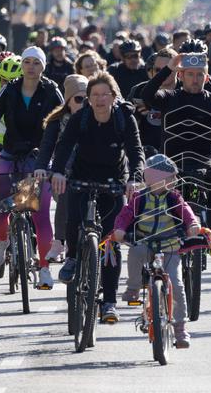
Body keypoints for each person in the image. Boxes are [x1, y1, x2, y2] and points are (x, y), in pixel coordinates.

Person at [48, 73, 143, 324]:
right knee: (74, 219)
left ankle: (109, 302)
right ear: (89, 99)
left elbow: (135, 151)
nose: (100, 100)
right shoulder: (80, 118)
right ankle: (72, 257)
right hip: (82, 178)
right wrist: (58, 172)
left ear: (113, 97)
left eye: (105, 95)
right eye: (95, 95)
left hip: (113, 182)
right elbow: (64, 147)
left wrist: (134, 178)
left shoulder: (124, 118)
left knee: (111, 244)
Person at [0, 47, 63, 288]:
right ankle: (2, 241)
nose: (31, 67)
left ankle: (44, 269)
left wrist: (63, 156)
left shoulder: (51, 91)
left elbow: (65, 122)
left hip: (38, 159)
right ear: (22, 66)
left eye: (36, 63)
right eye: (27, 62)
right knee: (1, 211)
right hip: (10, 154)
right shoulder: (9, 90)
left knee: (40, 214)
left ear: (43, 67)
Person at [136, 42, 211, 232]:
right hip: (170, 162)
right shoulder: (169, 98)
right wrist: (169, 67)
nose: (195, 79)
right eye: (190, 74)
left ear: (206, 78)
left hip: (203, 162)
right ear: (180, 76)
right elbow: (147, 95)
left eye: (199, 75)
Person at [113, 154, 198, 346]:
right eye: (170, 178)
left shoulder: (174, 197)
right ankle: (133, 287)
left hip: (170, 246)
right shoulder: (139, 198)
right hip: (146, 242)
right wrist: (120, 229)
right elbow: (126, 214)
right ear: (155, 179)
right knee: (135, 253)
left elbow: (185, 211)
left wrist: (192, 224)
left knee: (176, 284)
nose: (174, 181)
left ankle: (180, 328)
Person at [34, 74, 88, 263]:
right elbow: (47, 146)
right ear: (68, 101)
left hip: (93, 171)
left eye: (87, 99)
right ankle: (59, 241)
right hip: (64, 172)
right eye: (79, 99)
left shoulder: (97, 116)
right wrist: (41, 167)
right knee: (66, 192)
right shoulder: (57, 121)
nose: (84, 104)